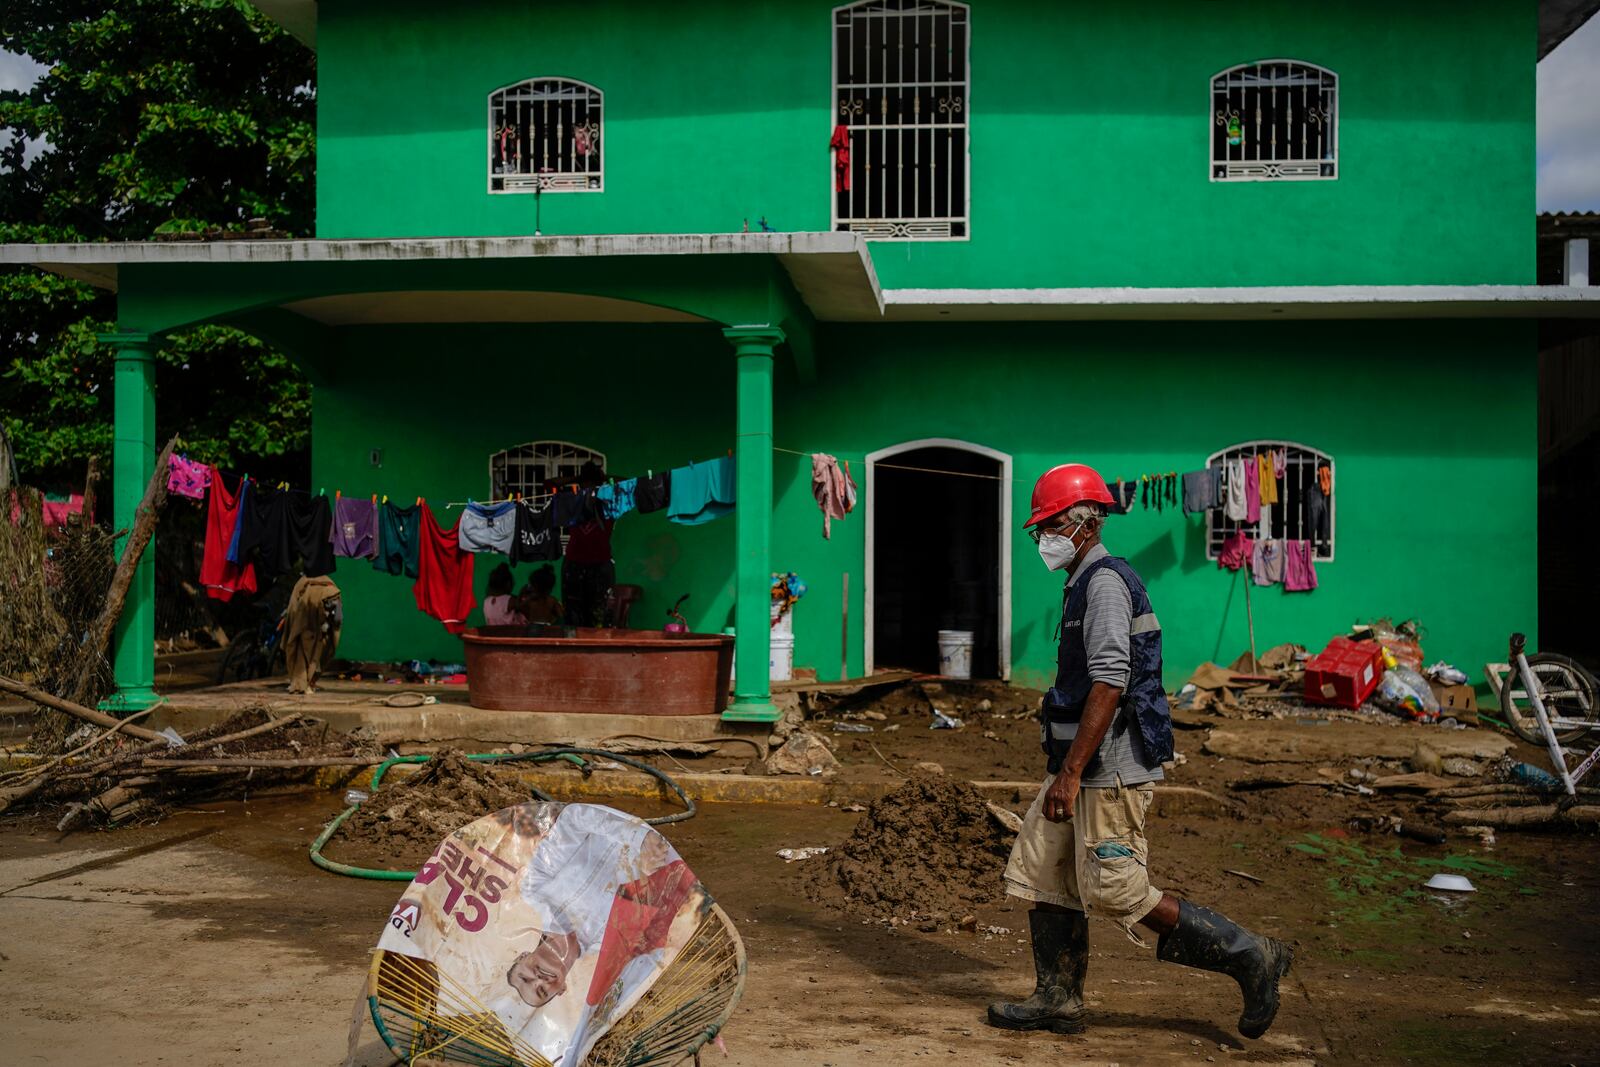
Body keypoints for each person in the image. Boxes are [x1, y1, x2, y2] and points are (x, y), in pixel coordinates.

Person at [987, 463, 1293, 1040]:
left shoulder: (1102, 583)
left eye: (1046, 526)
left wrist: (1072, 772)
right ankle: (1058, 997)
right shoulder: (1082, 581)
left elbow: (1109, 682)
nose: (1040, 538)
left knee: (1115, 887)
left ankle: (1251, 954)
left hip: (1108, 768)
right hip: (1082, 763)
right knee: (1044, 870)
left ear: (1082, 523)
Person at [561, 461, 614, 628]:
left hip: (601, 566)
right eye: (586, 483)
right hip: (574, 566)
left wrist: (602, 479)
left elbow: (628, 483)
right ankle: (573, 650)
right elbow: (549, 484)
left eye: (593, 483)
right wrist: (579, 478)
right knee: (573, 615)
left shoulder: (609, 503)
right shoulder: (573, 503)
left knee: (600, 616)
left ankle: (599, 651)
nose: (589, 487)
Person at [283, 573, 341, 694]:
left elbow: (292, 611)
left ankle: (302, 682)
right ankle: (305, 682)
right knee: (313, 647)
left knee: (302, 646)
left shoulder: (302, 584)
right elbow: (337, 619)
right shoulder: (330, 587)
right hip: (315, 619)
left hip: (307, 619)